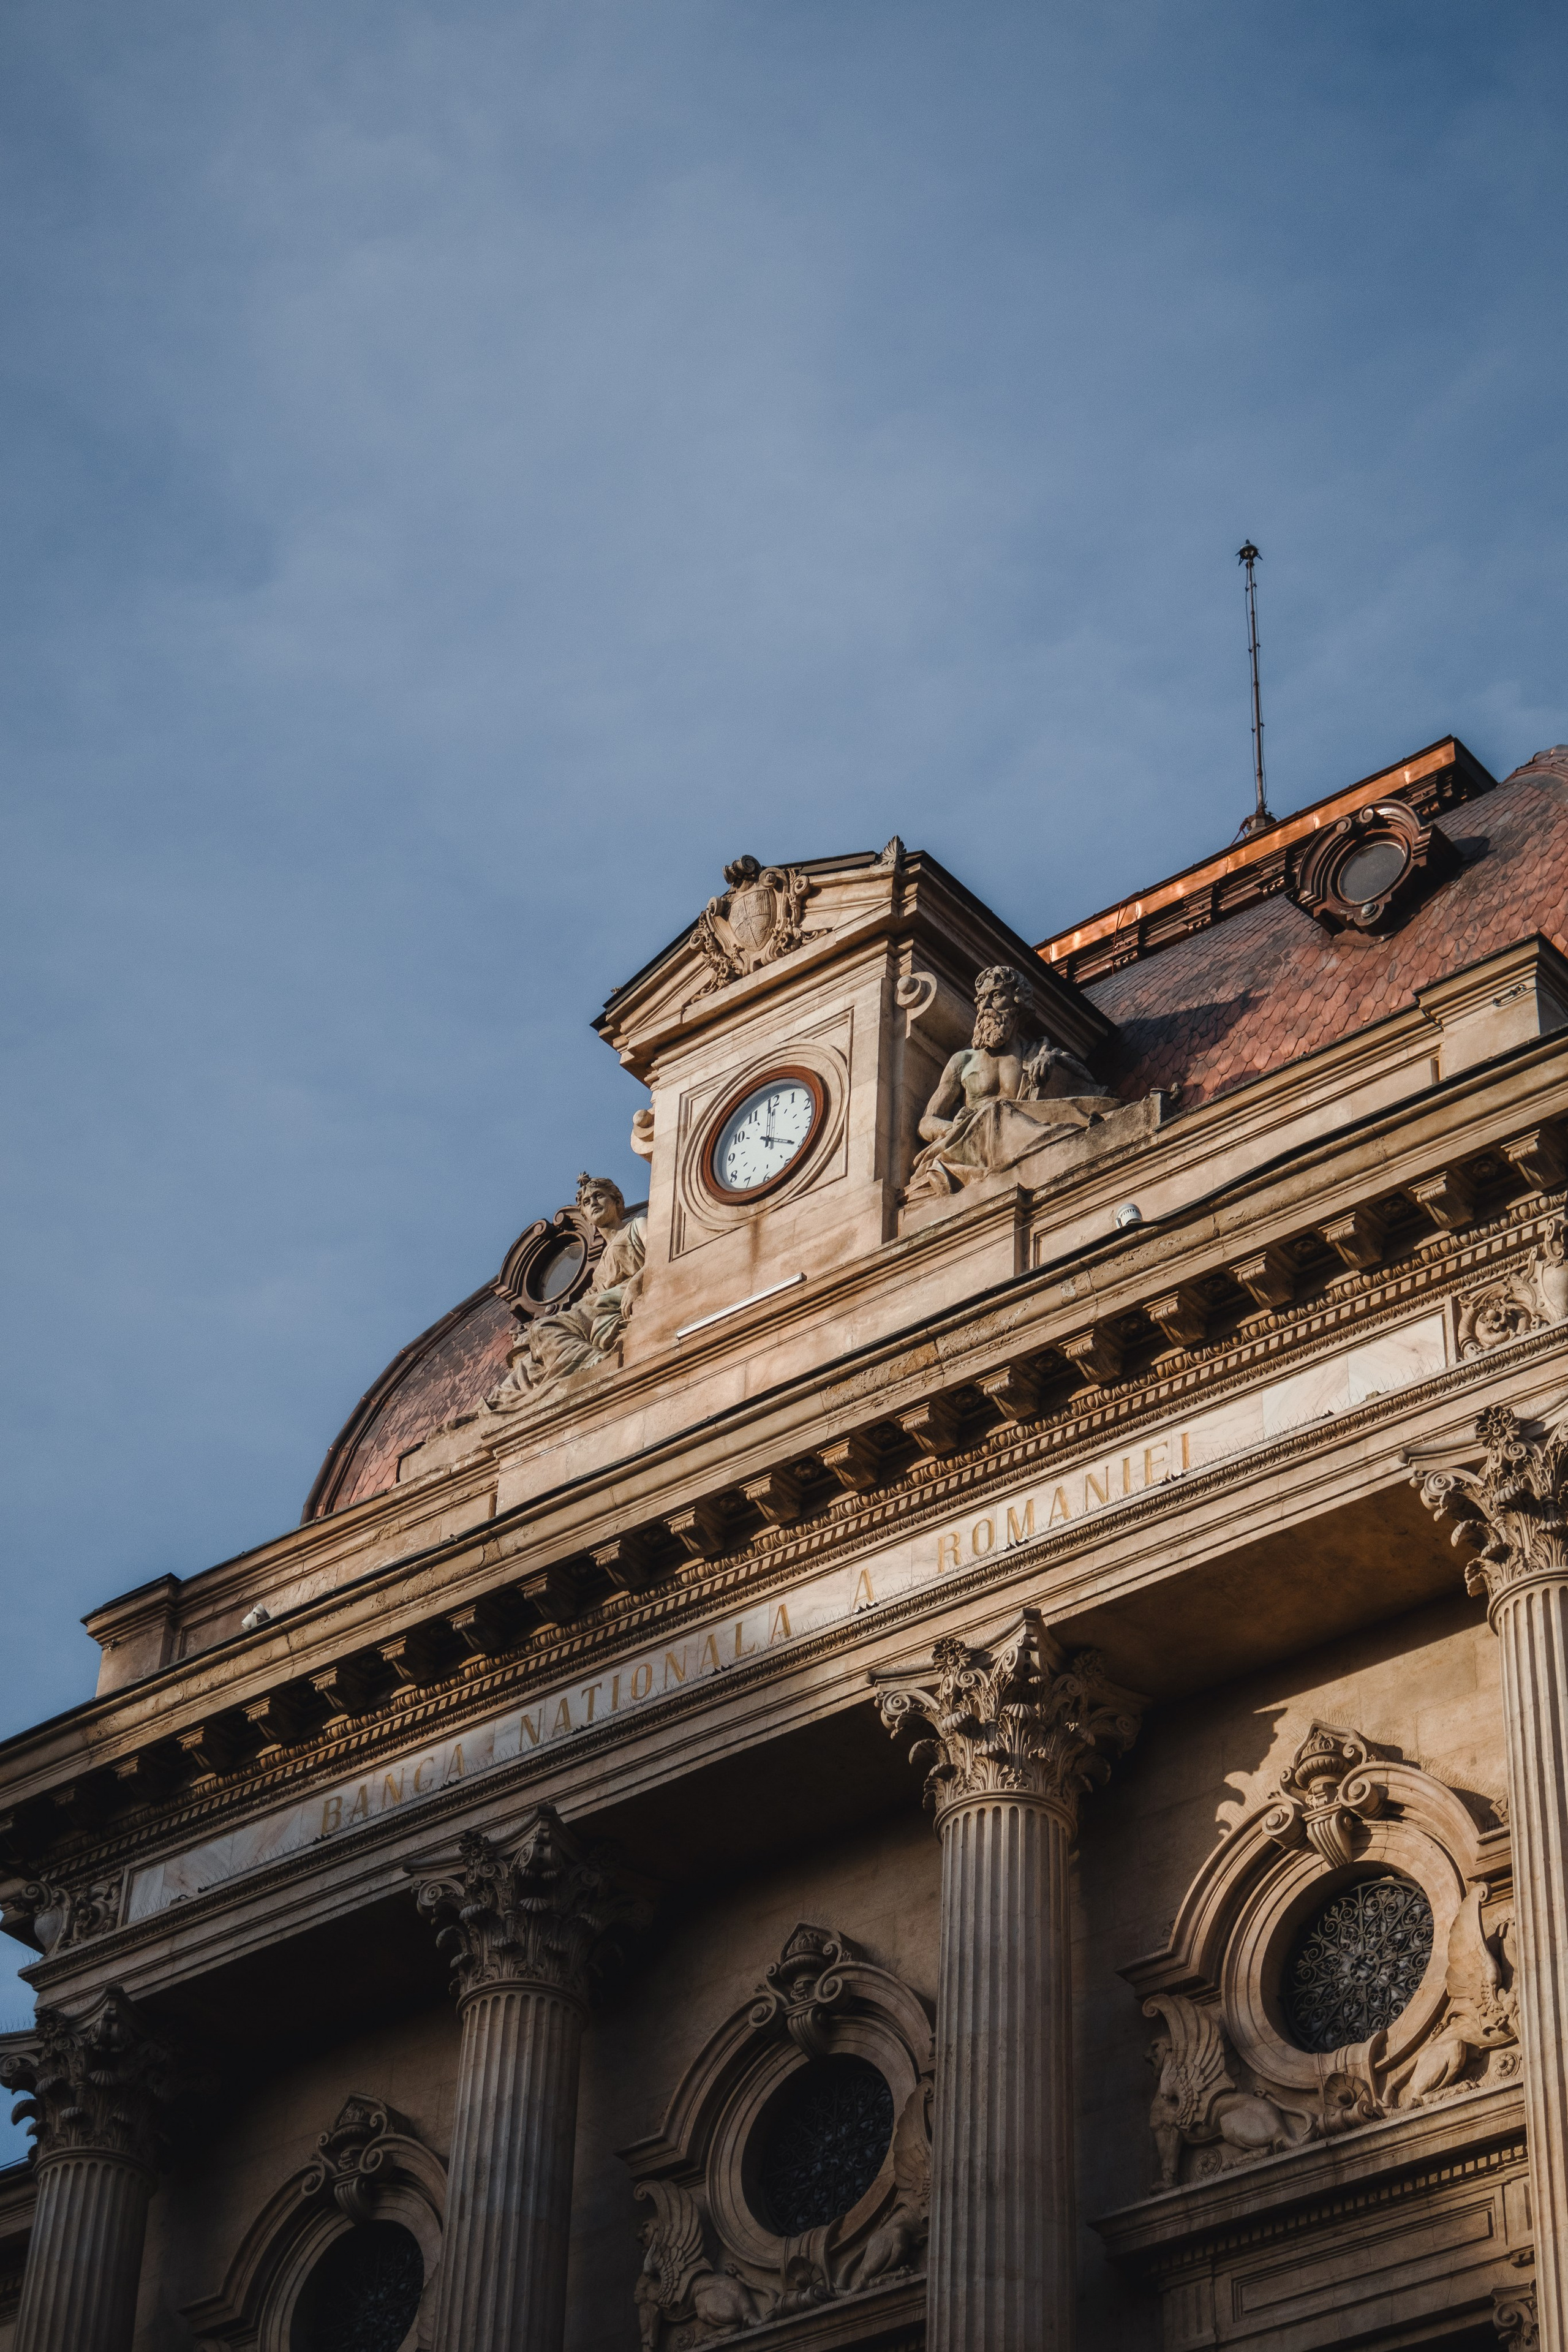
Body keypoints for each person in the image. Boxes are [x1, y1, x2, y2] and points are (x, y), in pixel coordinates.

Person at [905, 964, 1120, 1199]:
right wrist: (953, 1127)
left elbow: (1085, 1085)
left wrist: (1053, 1061)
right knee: (995, 1112)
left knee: (1007, 1113)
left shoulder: (1037, 1053)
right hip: (969, 1140)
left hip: (1020, 1132)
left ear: (1018, 1004)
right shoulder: (963, 1062)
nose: (985, 1007)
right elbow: (926, 1122)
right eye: (981, 1000)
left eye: (996, 996)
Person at [490, 1174, 646, 1404]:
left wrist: (638, 1281)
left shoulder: (636, 1226)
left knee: (546, 1327)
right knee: (529, 1358)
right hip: (600, 1308)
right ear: (586, 1216)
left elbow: (663, 1255)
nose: (593, 1203)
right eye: (586, 1202)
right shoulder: (601, 1262)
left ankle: (591, 1361)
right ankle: (499, 1401)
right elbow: (589, 1300)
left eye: (599, 1196)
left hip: (619, 1300)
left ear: (617, 1201)